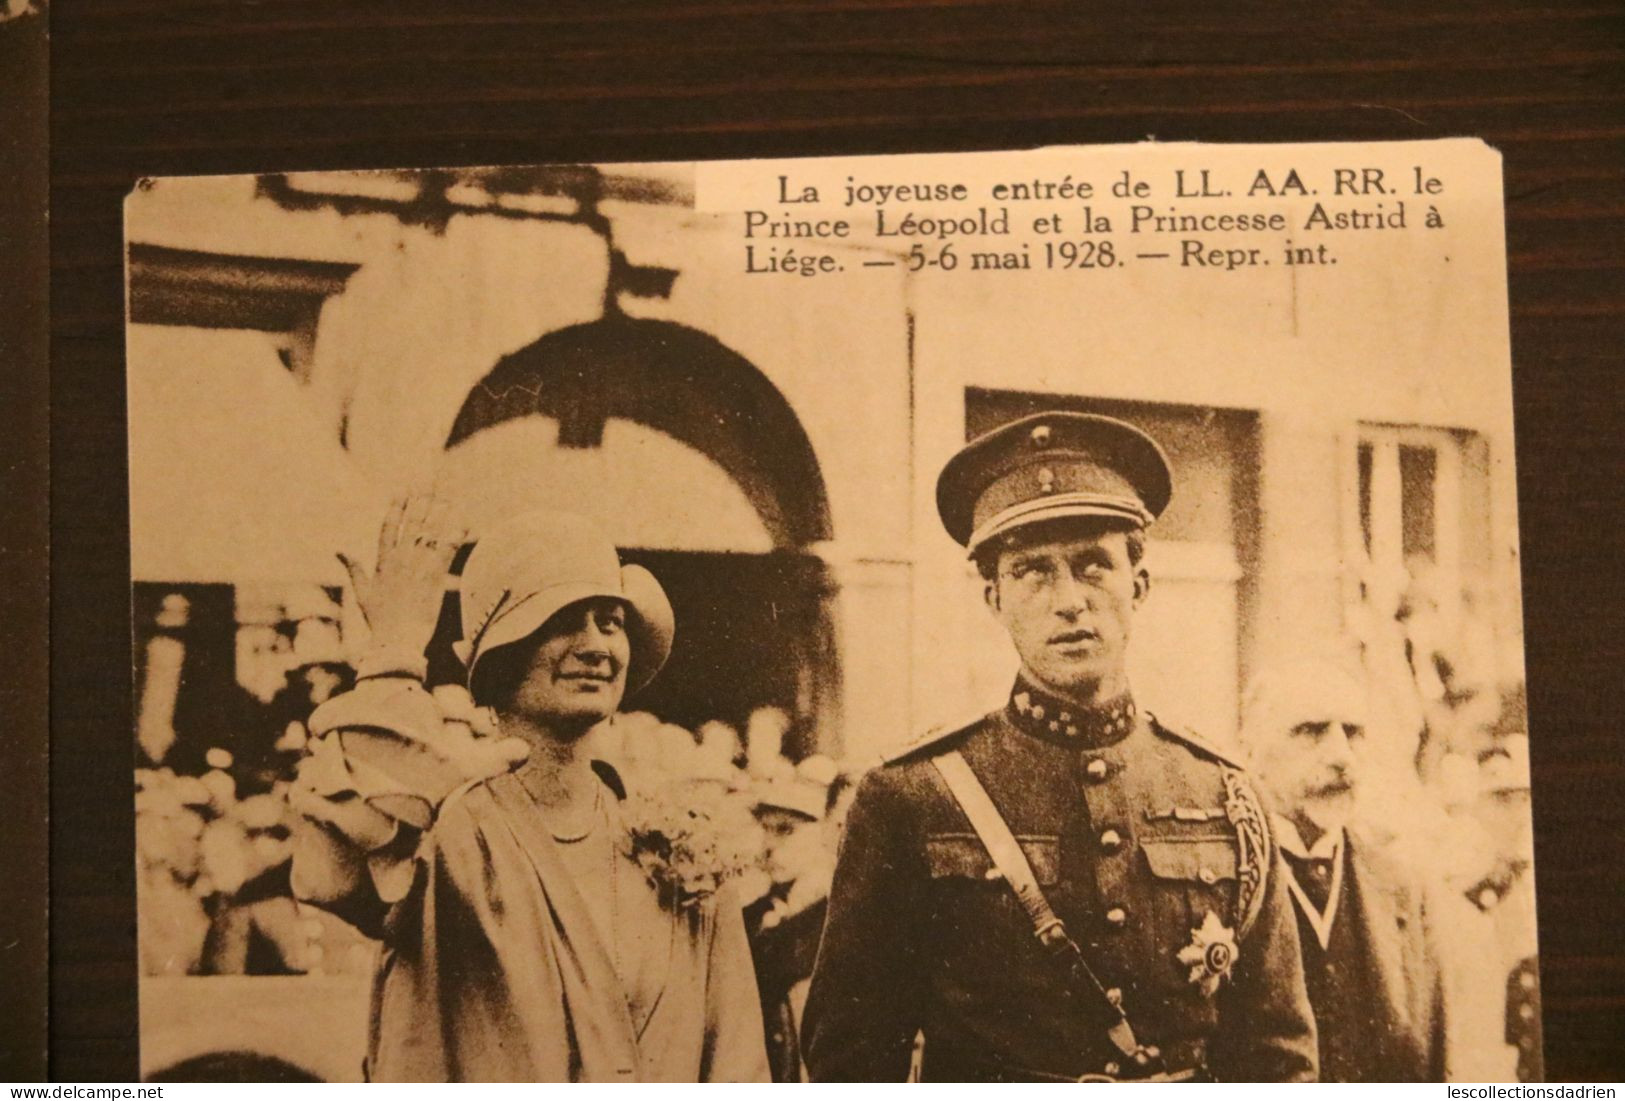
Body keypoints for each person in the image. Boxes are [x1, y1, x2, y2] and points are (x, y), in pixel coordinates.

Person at [801, 411, 1318, 1082]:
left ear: (1137, 585)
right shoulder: (910, 796)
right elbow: (851, 1058)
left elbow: (1278, 1054)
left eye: (1092, 565)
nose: (1069, 600)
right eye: (1033, 573)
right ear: (993, 598)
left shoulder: (1224, 792)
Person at [287, 500, 769, 1082]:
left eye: (609, 622)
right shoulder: (447, 830)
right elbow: (335, 865)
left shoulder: (680, 842)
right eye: (562, 620)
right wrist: (392, 656)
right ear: (496, 655)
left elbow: (738, 1062)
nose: (595, 646)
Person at [1237, 657, 1447, 1080]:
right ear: (1250, 751)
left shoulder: (1402, 885)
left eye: (1353, 733)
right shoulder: (1226, 876)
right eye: (1311, 731)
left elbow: (1435, 1059)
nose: (1341, 756)